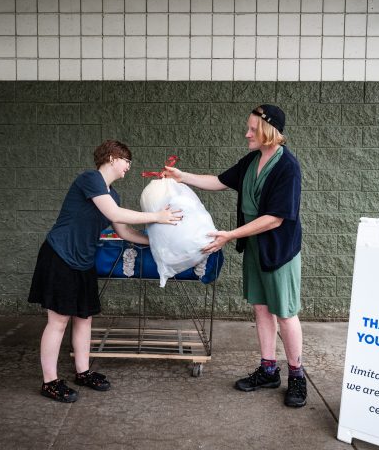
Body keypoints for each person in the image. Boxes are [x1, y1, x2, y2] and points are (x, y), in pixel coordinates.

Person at [163, 104, 306, 408]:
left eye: (253, 129)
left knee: (285, 312)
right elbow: (218, 181)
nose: (247, 134)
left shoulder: (287, 167)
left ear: (269, 131)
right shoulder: (252, 160)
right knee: (261, 308)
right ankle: (269, 369)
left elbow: (275, 219)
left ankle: (296, 374)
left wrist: (229, 235)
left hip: (279, 250)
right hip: (255, 247)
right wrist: (181, 176)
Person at [28, 139, 182, 403]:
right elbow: (115, 214)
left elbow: (123, 231)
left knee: (84, 318)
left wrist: (156, 241)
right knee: (58, 321)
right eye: (126, 161)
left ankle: (83, 372)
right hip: (60, 255)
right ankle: (50, 382)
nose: (128, 168)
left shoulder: (114, 194)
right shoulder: (90, 179)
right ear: (112, 157)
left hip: (84, 260)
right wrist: (157, 216)